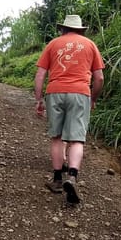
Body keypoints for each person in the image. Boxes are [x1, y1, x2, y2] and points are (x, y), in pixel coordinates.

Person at [34, 14, 105, 204]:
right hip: (80, 93)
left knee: (56, 137)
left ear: (63, 29)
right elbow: (99, 78)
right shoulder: (90, 45)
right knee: (76, 139)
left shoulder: (53, 44)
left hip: (55, 92)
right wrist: (93, 99)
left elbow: (40, 74)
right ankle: (72, 176)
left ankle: (57, 180)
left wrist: (39, 99)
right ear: (80, 29)